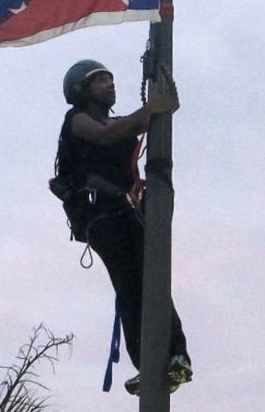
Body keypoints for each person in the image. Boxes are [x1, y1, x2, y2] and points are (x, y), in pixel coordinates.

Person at [52, 59, 192, 396]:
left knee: (154, 281)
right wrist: (150, 109)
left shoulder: (116, 121)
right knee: (131, 285)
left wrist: (162, 108)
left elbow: (137, 124)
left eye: (111, 79)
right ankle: (148, 362)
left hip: (128, 213)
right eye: (100, 80)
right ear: (80, 91)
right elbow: (105, 135)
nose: (110, 84)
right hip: (102, 216)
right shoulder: (78, 121)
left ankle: (177, 356)